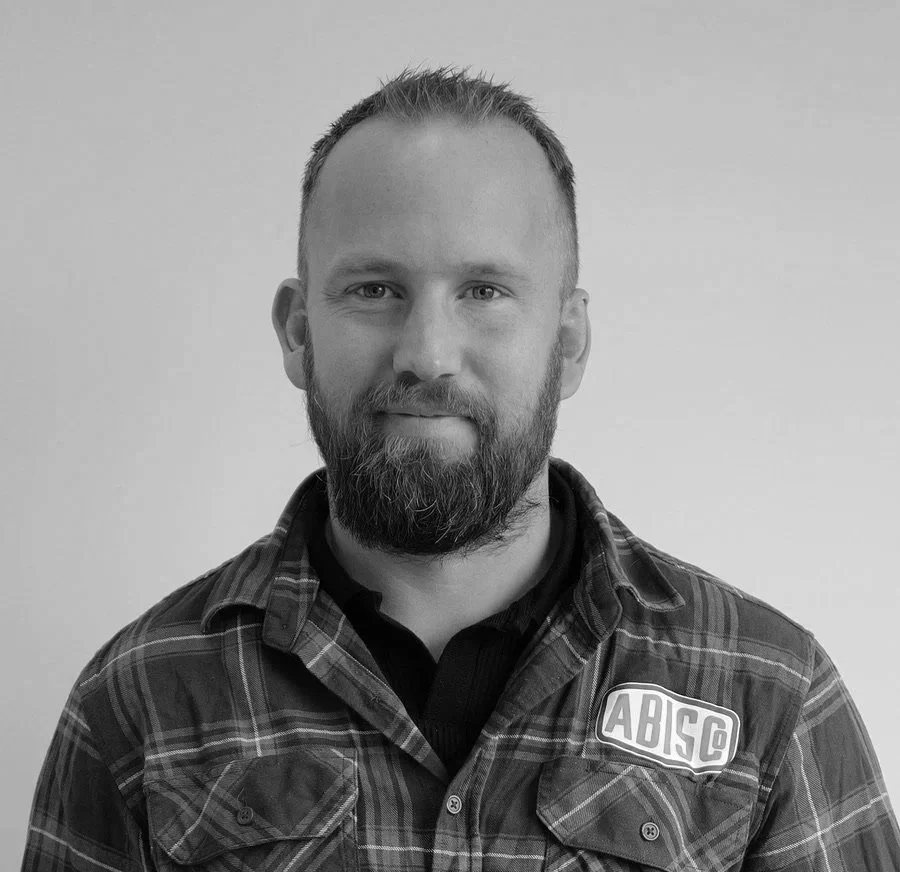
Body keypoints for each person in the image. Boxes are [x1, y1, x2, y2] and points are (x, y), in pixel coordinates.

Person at [23, 67, 899, 872]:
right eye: (374, 289)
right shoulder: (139, 700)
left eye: (483, 290)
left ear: (568, 340)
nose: (427, 354)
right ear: (297, 332)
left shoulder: (769, 692)